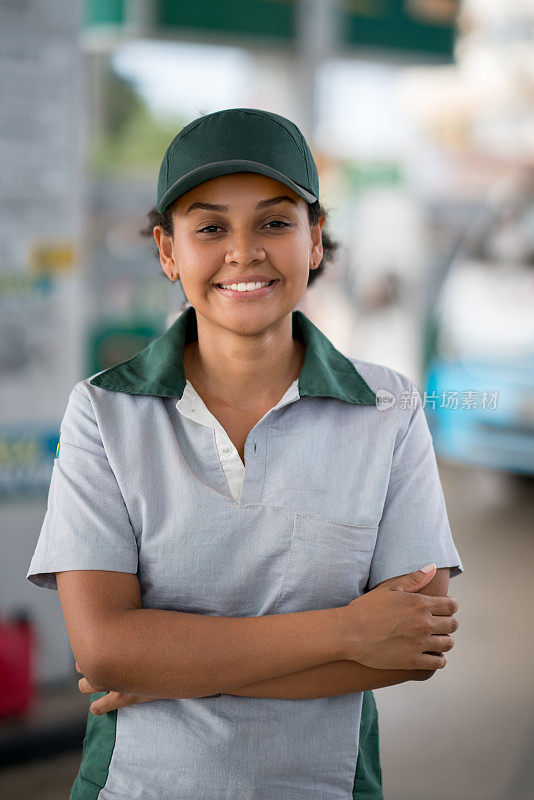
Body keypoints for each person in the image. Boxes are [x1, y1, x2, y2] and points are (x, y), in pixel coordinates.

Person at [26, 107, 463, 800]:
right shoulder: (106, 413)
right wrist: (348, 630)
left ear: (315, 240)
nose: (243, 251)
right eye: (209, 228)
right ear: (169, 252)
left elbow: (413, 645)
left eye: (274, 222)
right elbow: (105, 651)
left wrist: (168, 668)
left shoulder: (390, 409)